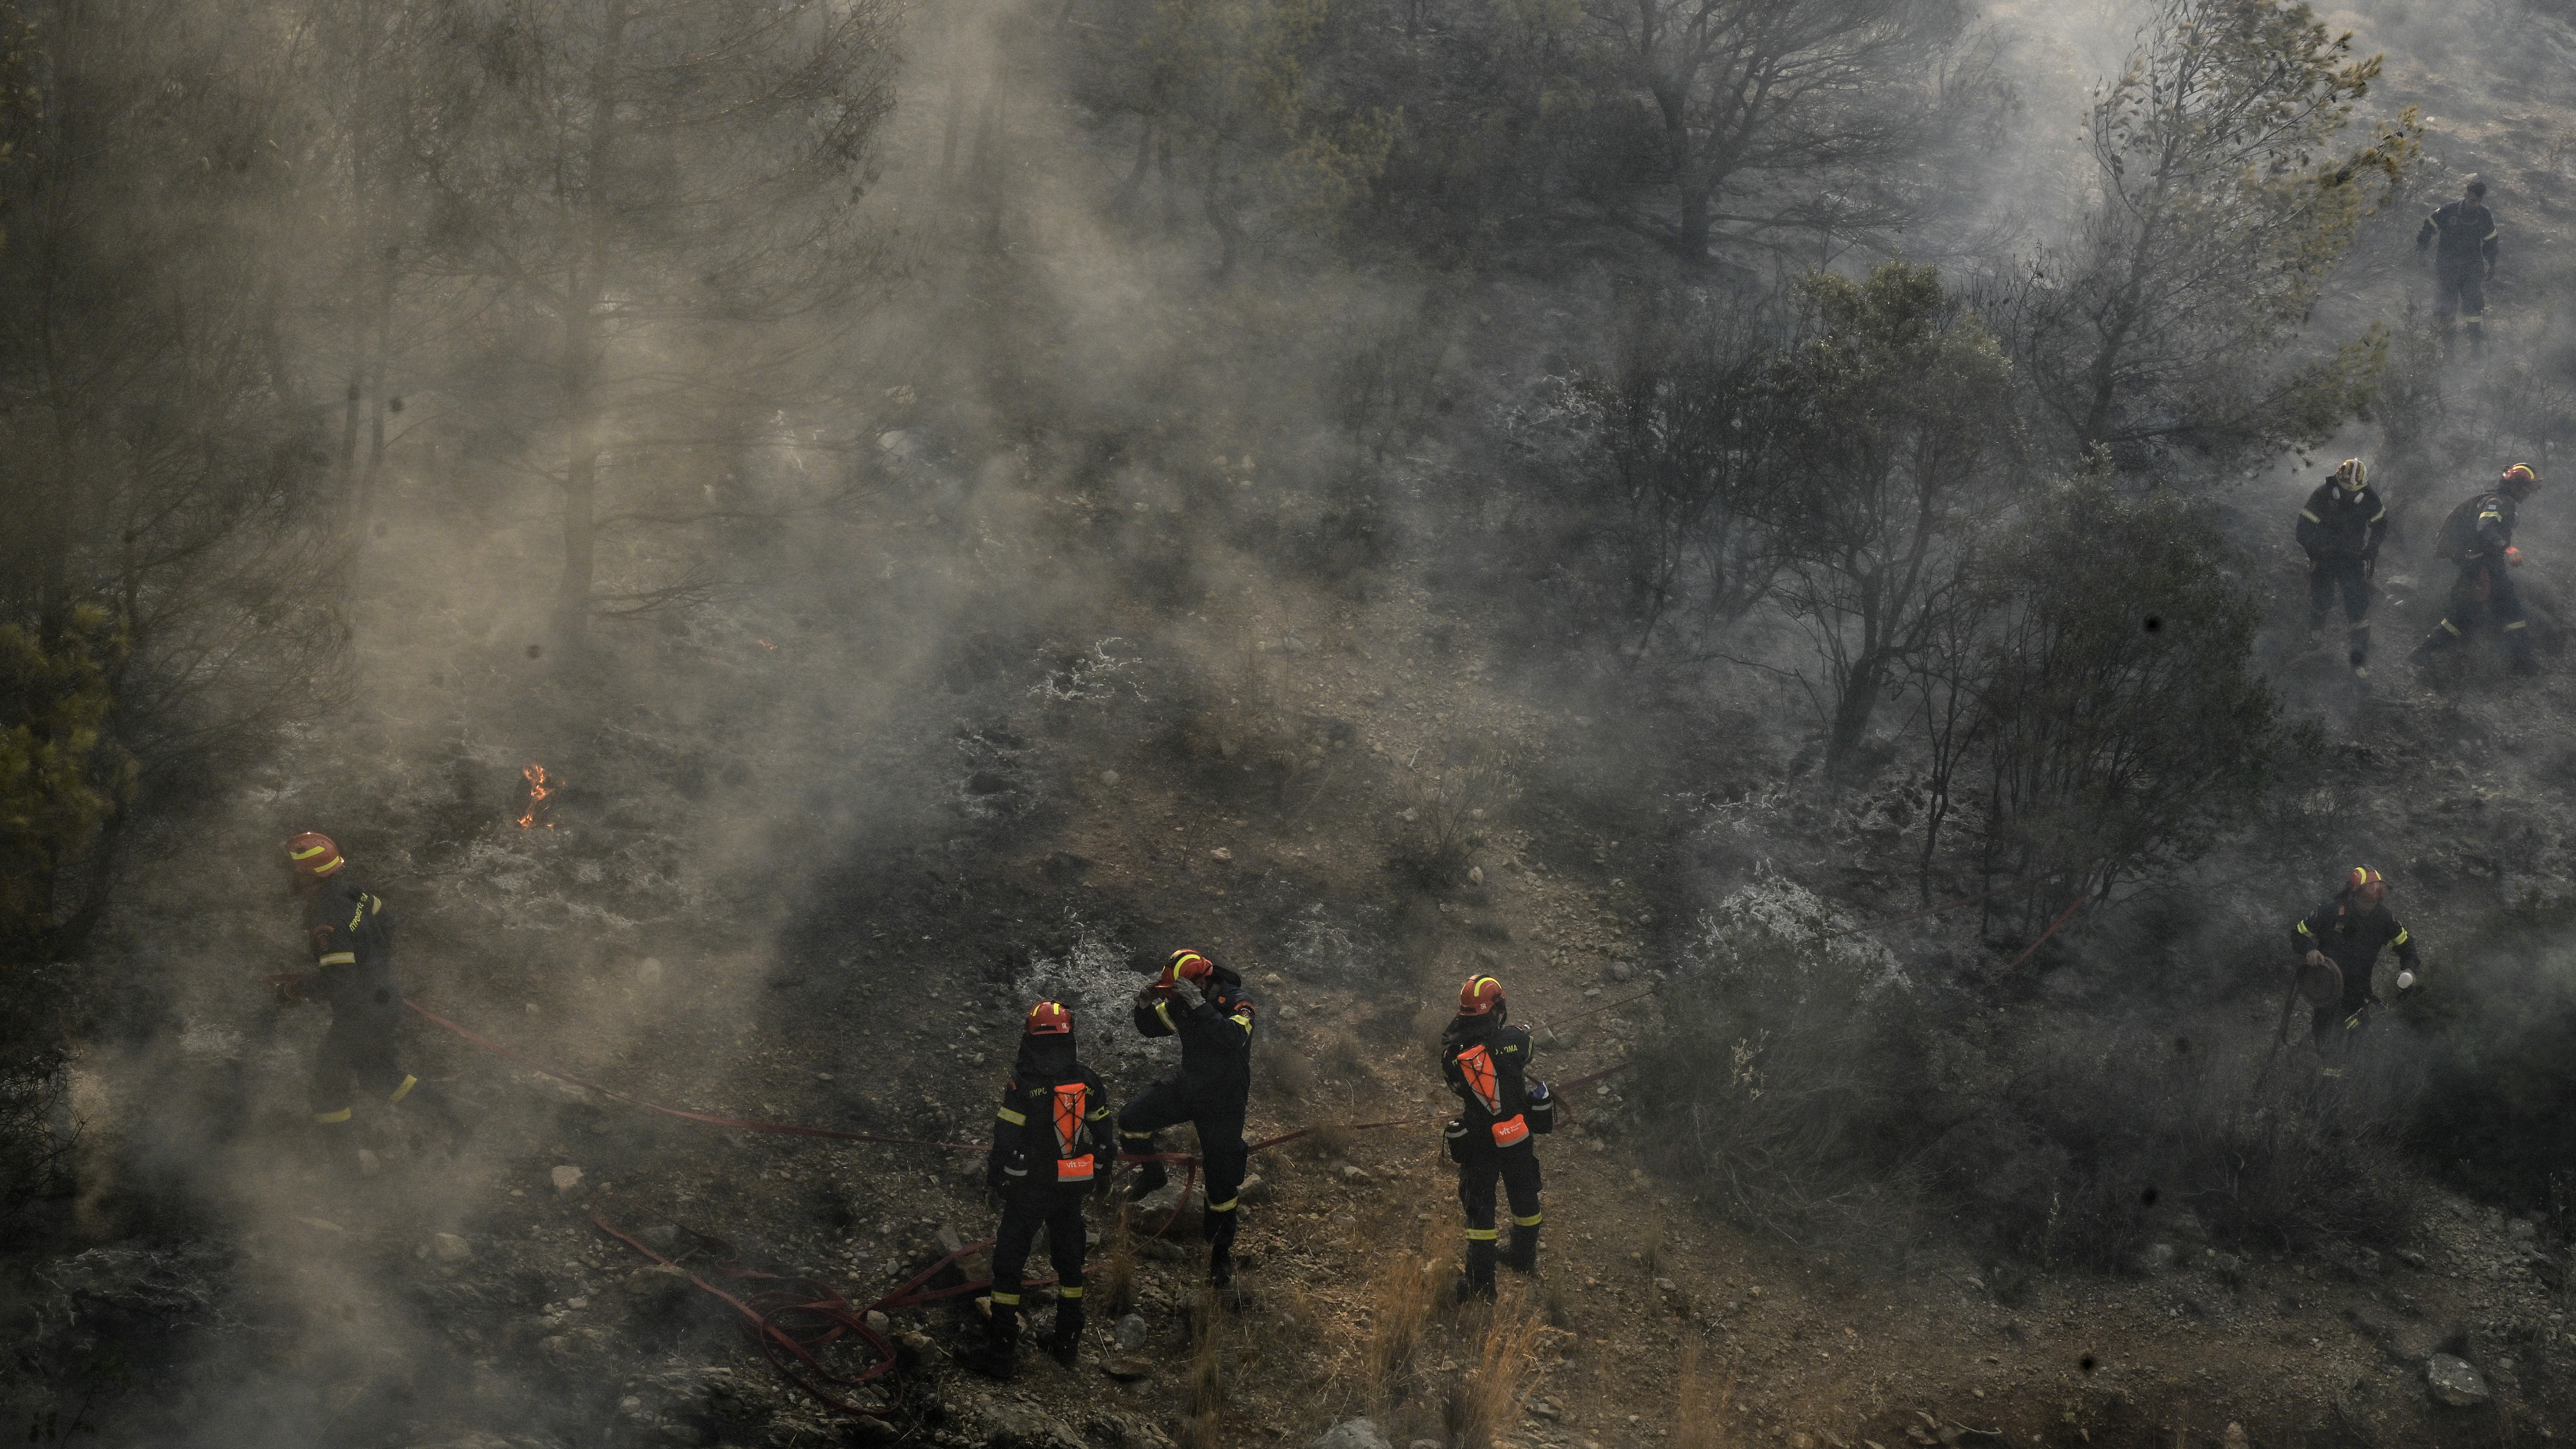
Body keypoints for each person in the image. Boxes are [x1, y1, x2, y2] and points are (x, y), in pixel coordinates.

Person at [276, 833, 464, 1171]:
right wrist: (372, 961)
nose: (287, 877)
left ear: (306, 875)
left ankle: (347, 1168)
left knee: (326, 1087)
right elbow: (388, 921)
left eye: (292, 871)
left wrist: (297, 990)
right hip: (385, 999)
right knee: (379, 1077)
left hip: (361, 1013)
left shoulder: (326, 918)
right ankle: (458, 1116)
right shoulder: (352, 891)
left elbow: (339, 980)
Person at [967, 1000, 1114, 1379]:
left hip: (1027, 1192)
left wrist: (993, 1181)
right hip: (1070, 1188)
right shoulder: (1087, 1081)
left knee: (1008, 1268)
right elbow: (1104, 1137)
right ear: (1070, 1038)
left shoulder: (1021, 1086)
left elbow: (1003, 1144)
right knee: (1069, 1265)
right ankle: (1066, 1345)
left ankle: (1000, 1354)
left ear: (1029, 1038)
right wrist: (1104, 1177)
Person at [1118, 948, 1257, 1286]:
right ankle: (1154, 1177)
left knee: (1222, 1183)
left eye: (1181, 989)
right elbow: (1153, 1027)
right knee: (1131, 1122)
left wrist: (1200, 1006)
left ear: (1201, 980)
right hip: (1189, 1089)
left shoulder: (1237, 1001)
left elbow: (1233, 1038)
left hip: (1223, 1104)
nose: (1176, 997)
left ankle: (1219, 1255)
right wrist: (1143, 1005)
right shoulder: (1182, 1001)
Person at [1439, 975, 1552, 1299]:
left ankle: (1481, 1285)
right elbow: (1526, 1052)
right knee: (1525, 1197)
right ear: (1496, 1007)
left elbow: (1455, 1086)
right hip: (1517, 1134)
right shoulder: (1517, 1039)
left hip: (1479, 1142)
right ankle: (1522, 1256)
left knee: (1480, 1211)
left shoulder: (1453, 1058)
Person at [2412, 464, 2542, 676]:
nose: (2529, 494)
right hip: (2480, 566)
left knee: (2510, 610)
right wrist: (2508, 548)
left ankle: (2523, 661)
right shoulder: (2495, 503)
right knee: (2466, 614)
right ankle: (2423, 652)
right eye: (2527, 488)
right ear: (2516, 487)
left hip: (2490, 565)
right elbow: (2485, 528)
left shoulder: (2505, 504)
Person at [2288, 866, 2422, 1070]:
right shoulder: (2330, 911)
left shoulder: (2384, 918)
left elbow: (2408, 948)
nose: (2373, 904)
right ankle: (2328, 1085)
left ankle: (2348, 1078)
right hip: (2327, 988)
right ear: (2354, 893)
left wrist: (2409, 969)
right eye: (2369, 898)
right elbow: (2298, 934)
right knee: (2327, 1041)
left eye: (2378, 898)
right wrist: (2310, 951)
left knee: (2358, 1039)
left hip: (2360, 989)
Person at [2295, 458, 2389, 678]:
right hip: (2324, 556)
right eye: (2344, 490)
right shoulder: (2323, 494)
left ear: (2363, 487)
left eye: (2353, 491)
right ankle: (2315, 634)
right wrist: (2315, 551)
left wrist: (2372, 547)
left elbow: (2381, 524)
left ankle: (2359, 664)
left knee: (2358, 607)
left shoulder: (2369, 498)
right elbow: (2303, 529)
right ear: (2336, 483)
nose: (2347, 495)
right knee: (2322, 597)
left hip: (2352, 559)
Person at [2417, 177, 2499, 356]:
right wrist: (2421, 250)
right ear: (2465, 194)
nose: (2474, 205)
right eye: (2472, 200)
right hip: (2447, 267)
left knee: (2473, 307)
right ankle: (2448, 352)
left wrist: (2492, 264)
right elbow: (2429, 226)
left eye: (2478, 202)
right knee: (2447, 308)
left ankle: (2476, 350)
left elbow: (2491, 241)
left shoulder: (2484, 216)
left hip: (2472, 268)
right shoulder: (2449, 211)